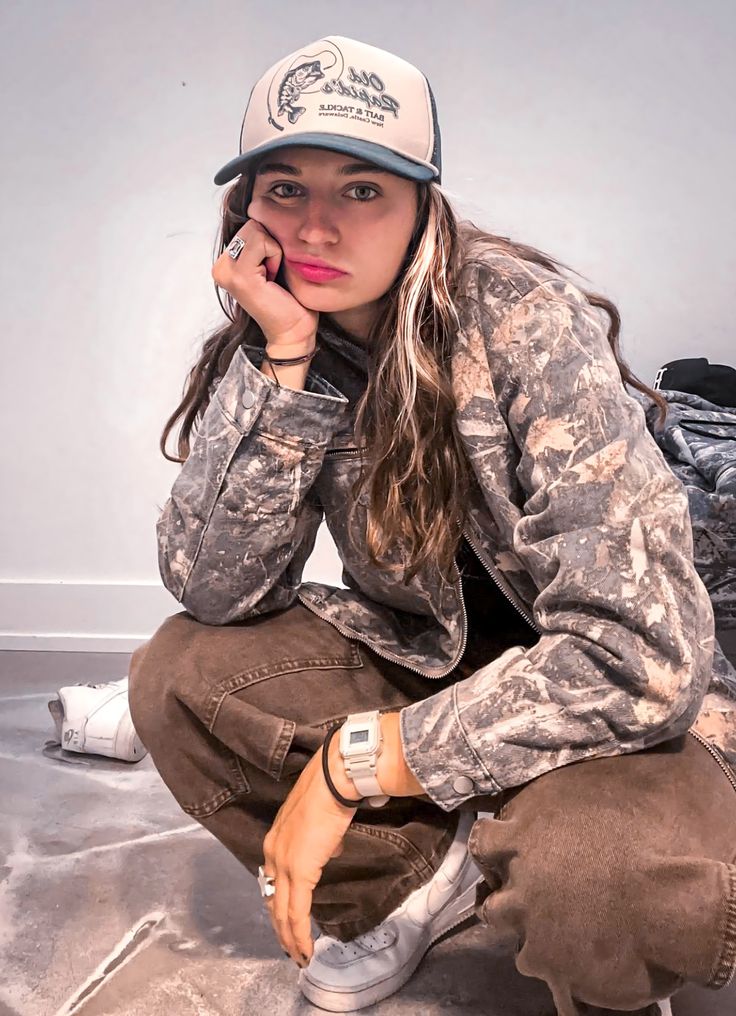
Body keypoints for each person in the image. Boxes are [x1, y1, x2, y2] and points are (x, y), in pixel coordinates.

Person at [127, 34, 736, 1016]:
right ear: (245, 210)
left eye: (361, 189)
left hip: (609, 700)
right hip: (436, 656)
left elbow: (641, 653)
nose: (316, 225)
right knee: (176, 674)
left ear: (423, 203)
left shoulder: (523, 319)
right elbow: (213, 586)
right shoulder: (293, 336)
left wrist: (360, 761)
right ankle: (416, 874)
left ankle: (593, 943)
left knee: (602, 877)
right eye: (283, 188)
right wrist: (282, 362)